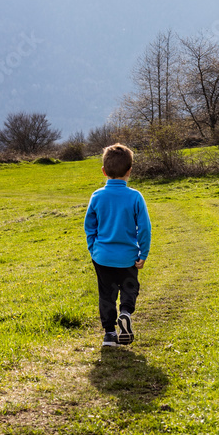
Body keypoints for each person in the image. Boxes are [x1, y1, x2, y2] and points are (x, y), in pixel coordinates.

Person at [84, 143, 151, 347]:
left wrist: (93, 249)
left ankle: (110, 334)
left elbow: (89, 226)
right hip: (128, 257)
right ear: (130, 171)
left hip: (102, 257)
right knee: (130, 288)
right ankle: (125, 313)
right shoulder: (135, 197)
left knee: (107, 294)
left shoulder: (97, 196)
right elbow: (145, 228)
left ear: (104, 171)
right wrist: (143, 253)